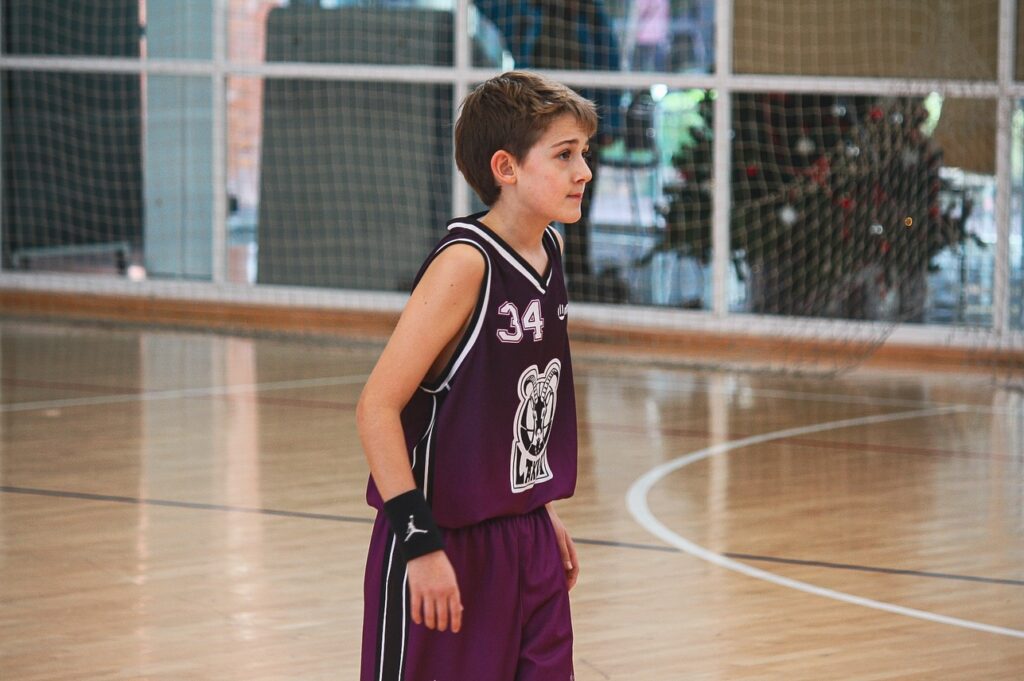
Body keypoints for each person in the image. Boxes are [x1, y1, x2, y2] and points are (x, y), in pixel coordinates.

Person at [357, 71, 597, 680]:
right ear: (506, 168)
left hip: (527, 538)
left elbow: (509, 410)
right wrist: (419, 543)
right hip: (442, 542)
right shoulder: (466, 264)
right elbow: (377, 409)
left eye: (583, 153)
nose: (584, 172)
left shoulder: (549, 250)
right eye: (565, 155)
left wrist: (535, 508)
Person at [474, 0, 621, 300]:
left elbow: (611, 69)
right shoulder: (525, 13)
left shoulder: (593, 17)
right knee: (535, 207)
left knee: (578, 209)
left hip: (582, 130)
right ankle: (530, 277)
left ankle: (578, 279)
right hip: (538, 130)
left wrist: (610, 125)